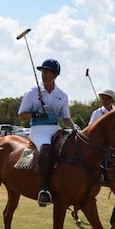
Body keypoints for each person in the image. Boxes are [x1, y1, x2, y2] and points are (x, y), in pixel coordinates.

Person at [17, 59, 75, 206]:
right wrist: (36, 114)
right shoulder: (32, 92)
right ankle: (43, 189)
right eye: (42, 71)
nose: (44, 75)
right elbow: (21, 116)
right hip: (38, 130)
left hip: (55, 129)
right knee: (46, 148)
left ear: (55, 75)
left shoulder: (62, 95)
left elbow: (66, 119)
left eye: (47, 72)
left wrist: (76, 130)